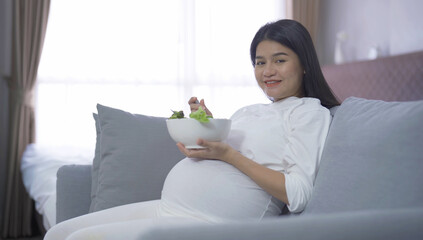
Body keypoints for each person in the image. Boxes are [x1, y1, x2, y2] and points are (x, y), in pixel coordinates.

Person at [44, 19, 339, 240]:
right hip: (168, 208)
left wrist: (227, 154)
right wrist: (206, 126)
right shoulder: (251, 111)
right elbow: (227, 150)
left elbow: (299, 194)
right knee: (58, 233)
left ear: (304, 65)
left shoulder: (309, 113)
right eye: (260, 62)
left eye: (280, 60)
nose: (267, 71)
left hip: (211, 224)